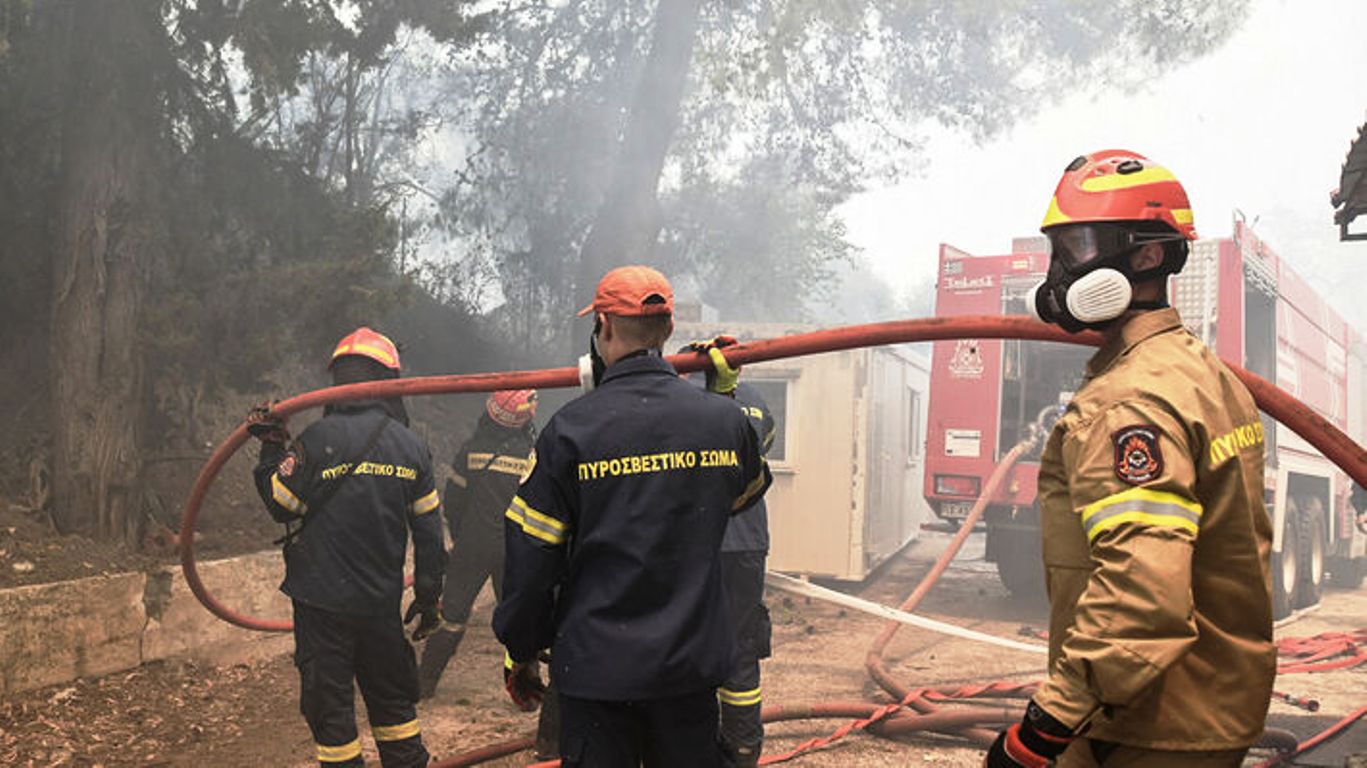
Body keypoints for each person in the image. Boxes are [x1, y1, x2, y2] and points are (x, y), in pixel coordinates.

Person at [986, 150, 1275, 768]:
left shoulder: (1129, 401)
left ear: (1147, 256)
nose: (1060, 273)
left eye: (1079, 248)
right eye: (1058, 250)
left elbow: (1142, 593)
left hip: (1147, 727)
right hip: (1202, 711)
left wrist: (1042, 731)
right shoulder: (1203, 374)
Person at [493, 265, 772, 767]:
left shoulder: (570, 430)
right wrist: (722, 399)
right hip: (688, 670)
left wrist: (522, 648)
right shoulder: (721, 420)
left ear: (602, 326)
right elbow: (743, 494)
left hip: (598, 672)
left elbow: (532, 556)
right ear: (668, 330)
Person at [249, 327, 446, 768]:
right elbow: (430, 534)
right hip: (380, 604)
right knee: (394, 709)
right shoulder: (411, 447)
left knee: (332, 717)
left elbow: (283, 505)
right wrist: (428, 596)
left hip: (321, 607)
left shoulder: (317, 440)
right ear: (390, 380)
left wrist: (271, 450)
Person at [679, 341, 777, 767]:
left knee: (686, 637)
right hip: (749, 539)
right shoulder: (755, 401)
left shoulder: (679, 398)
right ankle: (743, 747)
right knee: (739, 644)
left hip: (698, 538)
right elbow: (761, 453)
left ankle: (689, 744)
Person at [417, 389, 539, 700]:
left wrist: (462, 536)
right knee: (517, 621)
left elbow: (453, 500)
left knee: (452, 616)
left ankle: (424, 684)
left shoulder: (472, 449)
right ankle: (525, 691)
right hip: (513, 548)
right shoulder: (531, 455)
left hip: (473, 544)